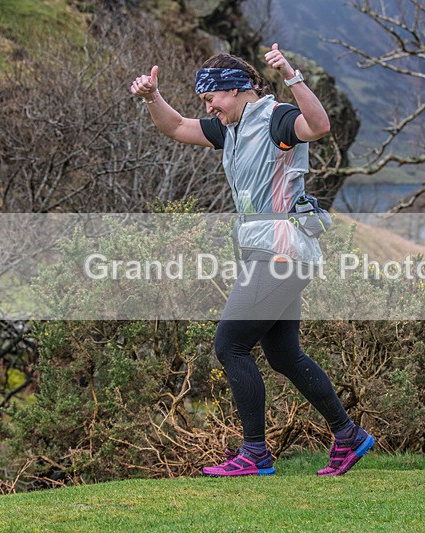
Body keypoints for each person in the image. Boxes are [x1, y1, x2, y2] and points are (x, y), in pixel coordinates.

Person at [130, 44, 374, 477]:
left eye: (212, 100)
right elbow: (178, 127)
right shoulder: (233, 128)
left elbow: (318, 126)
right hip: (273, 250)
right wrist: (152, 97)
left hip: (281, 250)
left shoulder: (276, 118)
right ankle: (349, 437)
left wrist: (292, 75)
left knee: (230, 344)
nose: (209, 109)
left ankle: (255, 454)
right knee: (283, 355)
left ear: (239, 89)